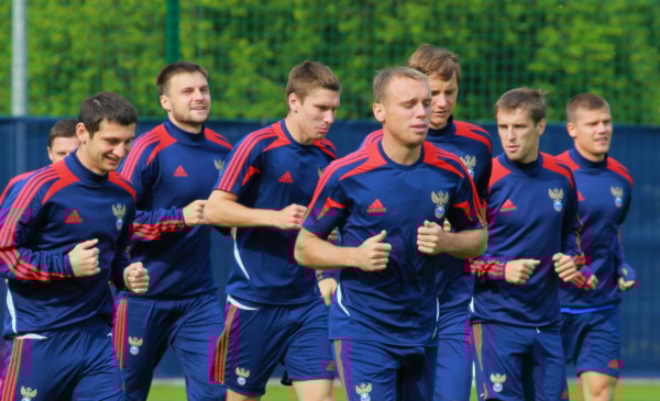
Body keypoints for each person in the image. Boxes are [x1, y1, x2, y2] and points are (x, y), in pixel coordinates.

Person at [295, 67, 487, 401]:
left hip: (425, 328)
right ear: (379, 111)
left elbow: (479, 238)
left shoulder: (451, 169)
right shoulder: (347, 173)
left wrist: (447, 242)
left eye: (425, 103)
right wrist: (354, 256)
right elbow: (303, 247)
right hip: (363, 329)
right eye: (409, 104)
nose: (422, 112)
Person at [360, 44, 492, 401]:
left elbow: (480, 218)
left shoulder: (478, 143)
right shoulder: (377, 144)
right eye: (434, 94)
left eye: (451, 92)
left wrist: (453, 236)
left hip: (452, 297)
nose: (442, 103)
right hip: (395, 301)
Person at [204, 60, 340, 401]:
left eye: (334, 109)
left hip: (308, 303)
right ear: (294, 102)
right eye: (321, 108)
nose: (329, 118)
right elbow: (214, 208)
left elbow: (329, 225)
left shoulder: (328, 154)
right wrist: (274, 217)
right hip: (254, 303)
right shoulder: (257, 145)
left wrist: (329, 273)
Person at [0, 91, 149, 400]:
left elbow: (116, 255)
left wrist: (125, 274)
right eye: (111, 141)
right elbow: (4, 254)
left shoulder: (124, 192)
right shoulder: (37, 186)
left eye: (128, 141)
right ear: (83, 132)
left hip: (97, 339)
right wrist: (65, 265)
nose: (121, 151)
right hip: (39, 338)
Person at [115, 61, 232, 401]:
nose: (199, 97)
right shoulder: (146, 148)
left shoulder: (224, 149)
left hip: (199, 300)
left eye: (204, 89)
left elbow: (231, 216)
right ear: (165, 102)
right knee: (123, 394)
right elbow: (117, 222)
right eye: (188, 91)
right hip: (140, 299)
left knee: (215, 393)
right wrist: (179, 218)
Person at [470, 88, 583, 401]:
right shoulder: (484, 177)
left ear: (540, 126)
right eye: (503, 127)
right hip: (496, 321)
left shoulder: (561, 175)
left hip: (547, 322)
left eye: (519, 127)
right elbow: (459, 252)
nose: (510, 136)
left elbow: (572, 230)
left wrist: (571, 258)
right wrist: (501, 270)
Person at [557, 94, 635, 401]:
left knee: (601, 393)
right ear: (572, 129)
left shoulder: (622, 177)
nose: (602, 129)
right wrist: (572, 269)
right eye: (592, 124)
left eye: (606, 122)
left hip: (603, 308)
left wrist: (622, 264)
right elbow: (541, 236)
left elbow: (612, 230)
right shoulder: (554, 174)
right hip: (553, 308)